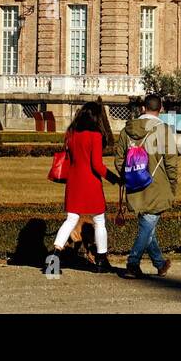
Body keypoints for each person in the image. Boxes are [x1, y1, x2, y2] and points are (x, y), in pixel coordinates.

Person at [48, 101, 117, 274]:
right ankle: (101, 260)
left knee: (71, 219)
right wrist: (114, 178)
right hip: (90, 182)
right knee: (99, 221)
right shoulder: (95, 135)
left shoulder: (71, 133)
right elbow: (97, 165)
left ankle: (55, 256)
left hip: (74, 181)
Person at [118, 93, 179, 278]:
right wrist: (172, 185)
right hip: (156, 186)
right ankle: (132, 263)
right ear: (160, 110)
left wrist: (128, 177)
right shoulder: (164, 131)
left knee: (148, 226)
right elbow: (171, 163)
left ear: (143, 108)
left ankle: (159, 263)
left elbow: (119, 160)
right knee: (147, 225)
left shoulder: (126, 130)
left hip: (134, 185)